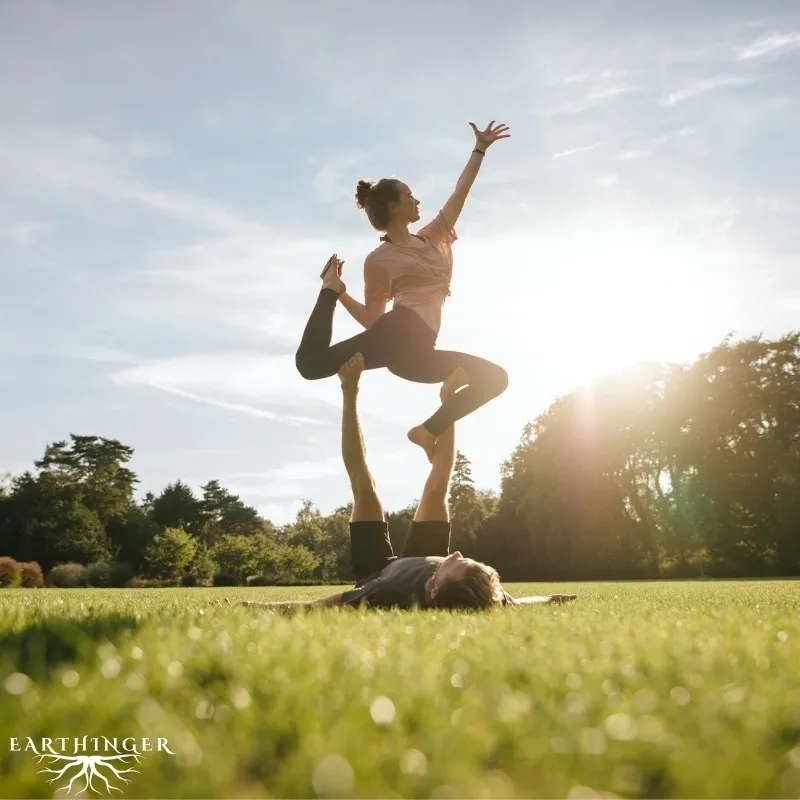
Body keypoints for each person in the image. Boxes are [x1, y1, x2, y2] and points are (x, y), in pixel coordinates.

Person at [222, 353, 576, 612]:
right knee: (438, 487)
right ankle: (446, 407)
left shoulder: (388, 590)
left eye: (458, 563)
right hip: (420, 559)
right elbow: (523, 601)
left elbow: (317, 605)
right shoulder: (484, 594)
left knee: (364, 487)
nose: (456, 553)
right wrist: (551, 599)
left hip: (377, 568)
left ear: (435, 589)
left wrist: (251, 604)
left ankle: (349, 392)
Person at [295, 121, 512, 463]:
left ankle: (427, 431)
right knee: (310, 365)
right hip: (399, 332)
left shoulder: (432, 236)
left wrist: (480, 149)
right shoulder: (378, 260)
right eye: (409, 195)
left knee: (495, 379)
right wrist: (339, 293)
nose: (417, 199)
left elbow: (460, 194)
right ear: (394, 206)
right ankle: (328, 290)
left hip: (417, 356)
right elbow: (373, 319)